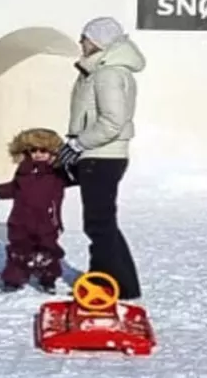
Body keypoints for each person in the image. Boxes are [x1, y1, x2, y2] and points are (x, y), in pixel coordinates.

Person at [55, 17, 144, 300]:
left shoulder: (107, 74)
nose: (81, 42)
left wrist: (79, 144)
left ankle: (115, 284)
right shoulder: (99, 71)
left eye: (84, 37)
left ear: (98, 41)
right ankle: (108, 279)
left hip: (101, 156)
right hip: (97, 155)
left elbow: (112, 121)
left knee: (99, 223)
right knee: (100, 222)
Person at [0, 127, 75, 293]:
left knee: (48, 252)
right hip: (21, 221)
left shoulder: (59, 174)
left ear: (53, 153)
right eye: (33, 150)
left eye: (43, 150)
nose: (38, 154)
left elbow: (78, 176)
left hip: (48, 222)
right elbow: (13, 188)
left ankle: (47, 278)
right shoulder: (23, 171)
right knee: (18, 251)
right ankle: (13, 279)